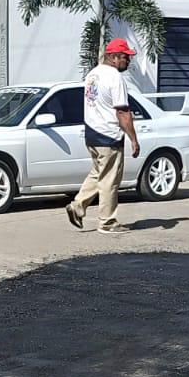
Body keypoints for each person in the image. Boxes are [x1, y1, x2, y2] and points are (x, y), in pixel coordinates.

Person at [66, 37, 141, 235]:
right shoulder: (115, 77)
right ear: (115, 57)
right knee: (109, 180)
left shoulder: (93, 75)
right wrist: (134, 139)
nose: (128, 61)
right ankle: (107, 222)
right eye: (126, 57)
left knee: (98, 173)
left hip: (92, 133)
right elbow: (123, 112)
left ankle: (77, 206)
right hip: (109, 135)